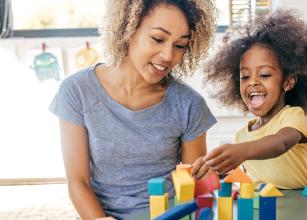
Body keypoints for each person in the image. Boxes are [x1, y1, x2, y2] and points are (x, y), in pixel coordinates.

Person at [49, 0, 217, 219]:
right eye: (158, 39)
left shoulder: (189, 104)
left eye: (179, 45)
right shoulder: (77, 90)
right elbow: (77, 182)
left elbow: (191, 184)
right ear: (129, 28)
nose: (168, 55)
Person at [192, 9, 307, 189]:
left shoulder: (292, 116)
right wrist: (213, 165)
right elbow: (247, 175)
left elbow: (281, 143)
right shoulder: (242, 136)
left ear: (288, 82)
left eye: (264, 74)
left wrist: (242, 150)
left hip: (298, 208)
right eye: (245, 77)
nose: (252, 82)